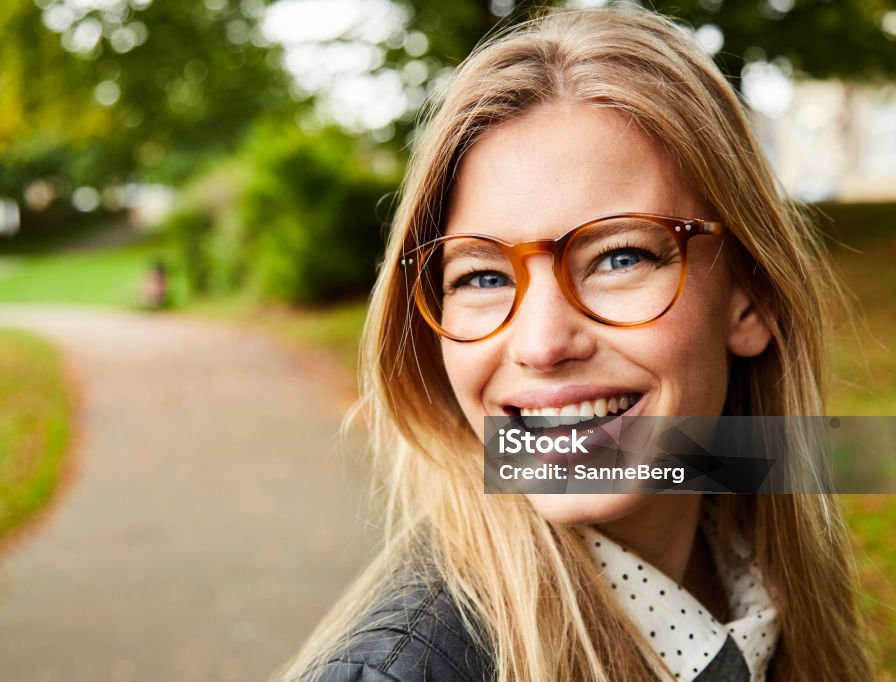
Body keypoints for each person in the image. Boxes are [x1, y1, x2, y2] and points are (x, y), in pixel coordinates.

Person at [278, 6, 874, 681]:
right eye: (480, 275)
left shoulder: (759, 573)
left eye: (618, 258)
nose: (541, 343)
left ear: (752, 298)